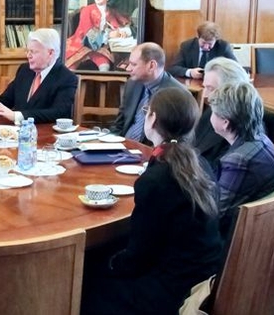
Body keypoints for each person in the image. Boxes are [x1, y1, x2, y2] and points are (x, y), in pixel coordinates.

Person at [82, 87, 222, 315]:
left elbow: (139, 256)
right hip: (204, 275)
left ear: (152, 118)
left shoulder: (155, 180)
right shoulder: (200, 163)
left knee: (88, 281)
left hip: (172, 289)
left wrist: (108, 264)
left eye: (146, 111)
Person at [0, 28, 77, 124]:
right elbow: (6, 99)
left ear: (50, 53)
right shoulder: (25, 70)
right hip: (17, 134)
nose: (28, 56)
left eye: (33, 52)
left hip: (47, 136)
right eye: (28, 51)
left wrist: (18, 116)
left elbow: (58, 113)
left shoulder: (66, 78)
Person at [207, 81, 274, 237]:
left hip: (233, 239)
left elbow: (215, 214)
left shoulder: (238, 160)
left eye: (213, 112)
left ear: (225, 123)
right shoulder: (261, 138)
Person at [111, 42, 185, 143]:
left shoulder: (178, 95)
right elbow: (119, 123)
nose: (128, 68)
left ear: (151, 66)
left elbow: (179, 141)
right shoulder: (132, 84)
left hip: (152, 150)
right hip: (123, 145)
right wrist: (110, 144)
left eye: (133, 64)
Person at [194, 58, 250, 167]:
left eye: (210, 88)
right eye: (204, 87)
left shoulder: (239, 132)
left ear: (231, 91)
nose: (205, 95)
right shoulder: (212, 111)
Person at [65, 0, 133, 71]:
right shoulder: (87, 10)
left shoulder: (110, 11)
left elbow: (117, 25)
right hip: (82, 43)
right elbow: (87, 31)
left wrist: (121, 32)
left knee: (105, 65)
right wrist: (109, 35)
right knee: (71, 67)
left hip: (101, 47)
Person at [168, 21, 237, 79]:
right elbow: (173, 69)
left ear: (216, 40)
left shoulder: (223, 47)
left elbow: (236, 68)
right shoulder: (187, 46)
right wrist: (190, 72)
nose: (206, 47)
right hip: (193, 85)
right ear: (198, 37)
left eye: (210, 44)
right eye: (203, 43)